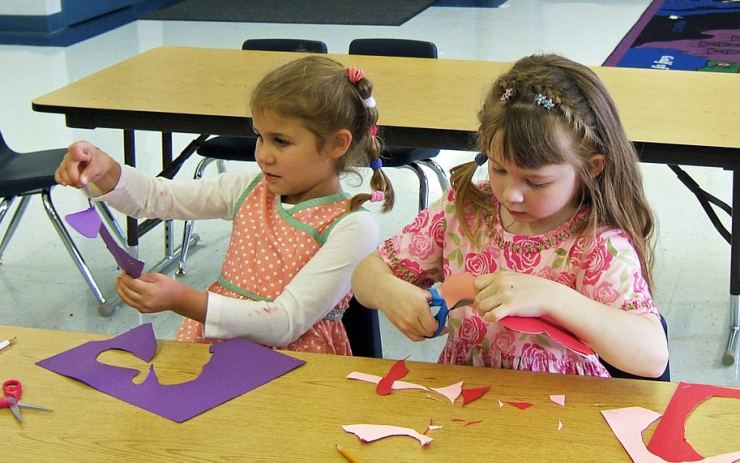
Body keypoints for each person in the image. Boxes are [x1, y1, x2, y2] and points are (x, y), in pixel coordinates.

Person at [352, 54, 669, 377]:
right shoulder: (464, 209)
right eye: (499, 168)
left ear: (591, 167)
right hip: (465, 405)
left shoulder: (597, 244)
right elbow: (366, 275)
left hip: (563, 413)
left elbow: (653, 356)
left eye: (536, 181)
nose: (510, 194)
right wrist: (390, 293)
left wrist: (554, 298)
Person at [55, 55, 394, 355]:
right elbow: (157, 198)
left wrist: (181, 300)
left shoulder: (352, 226)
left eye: (281, 141)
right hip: (215, 352)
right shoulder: (249, 189)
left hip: (296, 367)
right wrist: (105, 168)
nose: (263, 154)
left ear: (337, 144)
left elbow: (285, 322)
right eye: (260, 136)